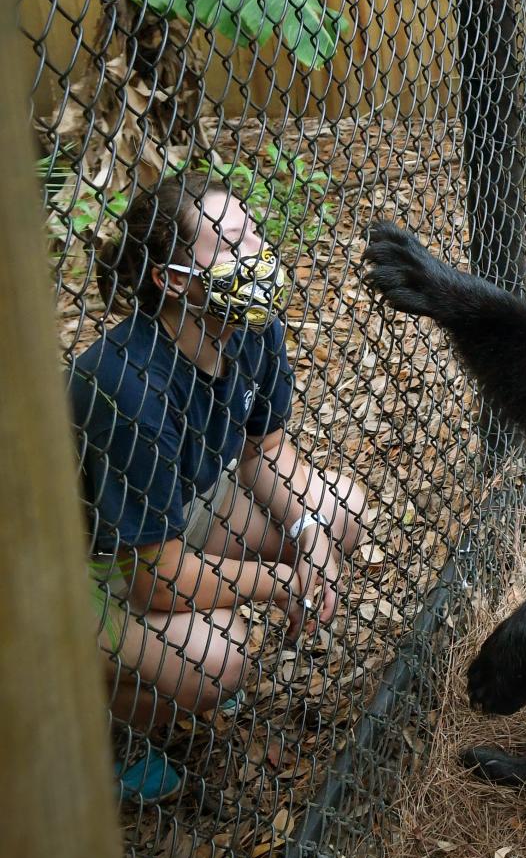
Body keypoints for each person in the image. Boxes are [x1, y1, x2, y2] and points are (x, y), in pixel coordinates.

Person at [70, 172, 367, 801]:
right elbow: (154, 573)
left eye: (253, 232)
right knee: (217, 656)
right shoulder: (129, 382)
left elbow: (266, 454)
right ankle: (95, 732)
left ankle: (148, 676)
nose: (257, 253)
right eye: (232, 245)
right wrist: (285, 582)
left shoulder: (251, 325)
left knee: (339, 510)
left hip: (172, 517)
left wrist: (310, 535)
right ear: (172, 279)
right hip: (71, 573)